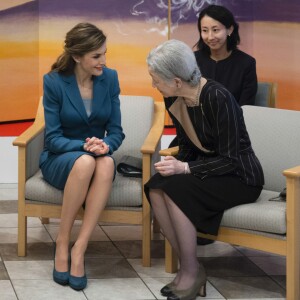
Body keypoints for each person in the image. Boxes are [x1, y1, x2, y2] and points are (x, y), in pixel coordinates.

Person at [145, 39, 264, 300]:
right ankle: (191, 268)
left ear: (176, 81)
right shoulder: (174, 99)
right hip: (207, 171)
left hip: (240, 177)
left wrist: (185, 168)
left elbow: (231, 159)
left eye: (156, 80)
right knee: (156, 187)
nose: (154, 85)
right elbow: (187, 144)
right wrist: (175, 166)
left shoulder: (218, 97)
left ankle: (190, 272)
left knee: (177, 190)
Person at [39, 23, 125, 290]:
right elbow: (52, 138)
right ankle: (62, 242)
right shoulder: (54, 81)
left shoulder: (109, 78)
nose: (104, 61)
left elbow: (117, 132)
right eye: (96, 56)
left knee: (107, 161)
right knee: (88, 161)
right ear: (77, 56)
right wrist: (86, 147)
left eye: (104, 54)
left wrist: (105, 145)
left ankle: (80, 247)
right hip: (59, 158)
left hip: (95, 156)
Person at [195, 4, 257, 106]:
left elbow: (246, 106)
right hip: (198, 121)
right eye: (205, 30)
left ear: (229, 30)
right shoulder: (192, 60)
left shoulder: (246, 63)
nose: (210, 37)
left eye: (215, 30)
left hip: (233, 120)